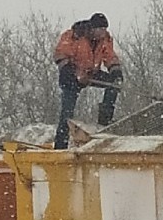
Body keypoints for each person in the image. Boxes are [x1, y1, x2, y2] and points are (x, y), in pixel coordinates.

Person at [52, 12, 123, 149]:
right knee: (67, 113)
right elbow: (61, 53)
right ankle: (60, 145)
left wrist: (115, 70)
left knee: (113, 84)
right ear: (93, 28)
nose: (103, 32)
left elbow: (110, 56)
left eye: (105, 29)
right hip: (71, 75)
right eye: (101, 29)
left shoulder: (105, 39)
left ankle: (105, 119)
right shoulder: (74, 35)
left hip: (91, 73)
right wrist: (68, 70)